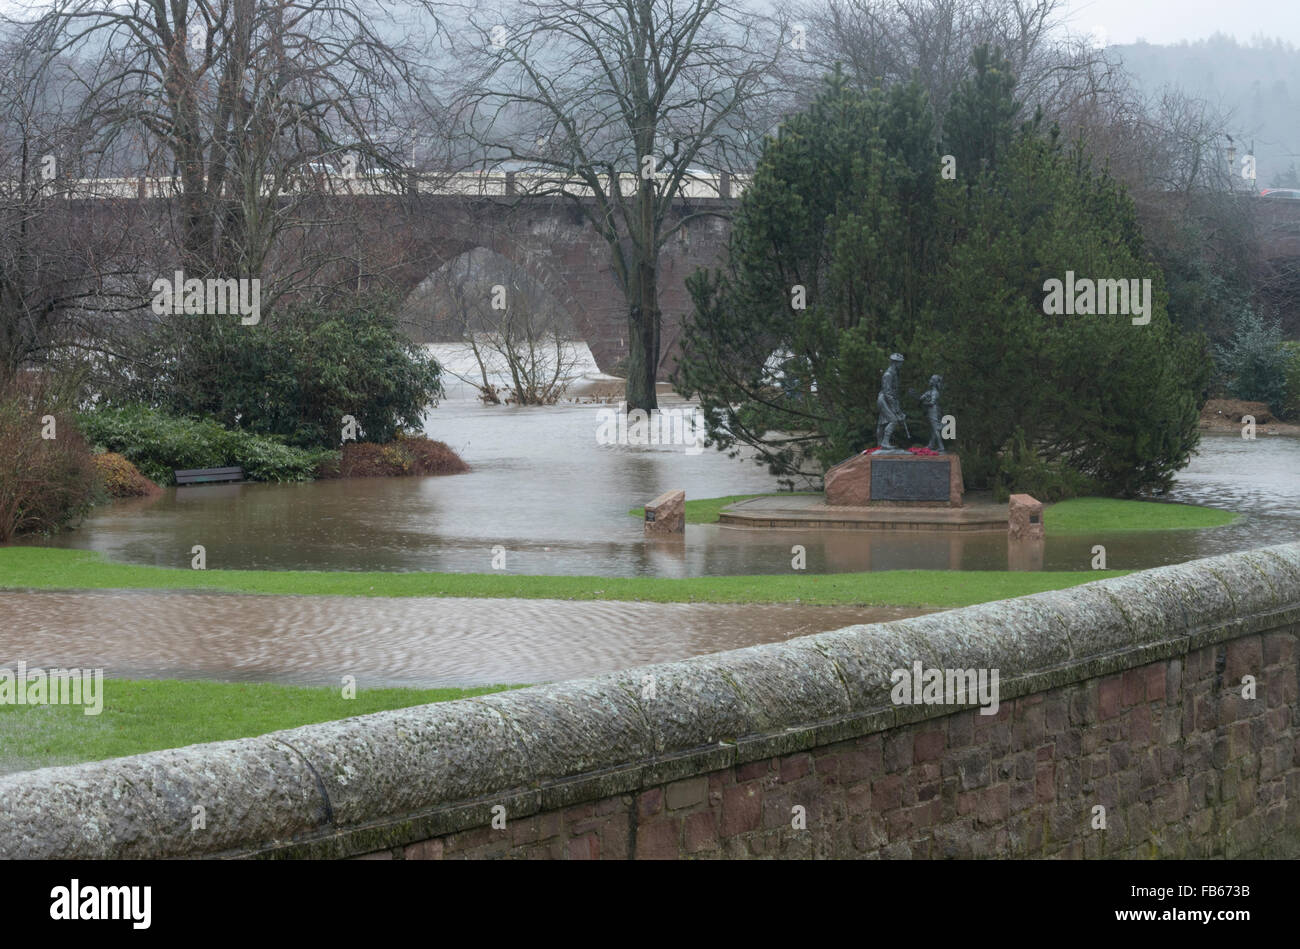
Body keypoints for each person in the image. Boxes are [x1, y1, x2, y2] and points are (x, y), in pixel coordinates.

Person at [875, 353, 906, 449]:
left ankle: (880, 444)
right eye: (900, 363)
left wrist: (898, 409)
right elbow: (887, 392)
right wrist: (894, 408)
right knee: (893, 420)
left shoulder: (894, 374)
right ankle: (884, 443)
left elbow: (894, 394)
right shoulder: (888, 374)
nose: (901, 365)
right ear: (895, 363)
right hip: (884, 399)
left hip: (888, 399)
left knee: (882, 423)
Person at [920, 374, 945, 452]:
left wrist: (925, 403)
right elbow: (921, 397)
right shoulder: (930, 392)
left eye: (931, 380)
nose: (929, 381)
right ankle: (931, 445)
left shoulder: (935, 392)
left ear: (934, 382)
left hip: (933, 411)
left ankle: (941, 447)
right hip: (931, 411)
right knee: (933, 429)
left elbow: (932, 403)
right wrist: (924, 397)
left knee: (935, 429)